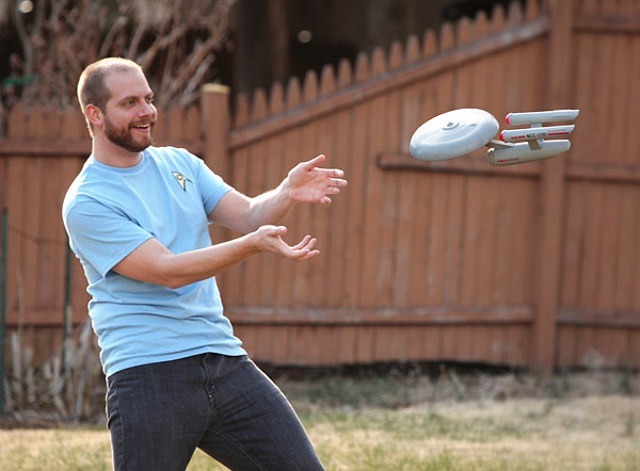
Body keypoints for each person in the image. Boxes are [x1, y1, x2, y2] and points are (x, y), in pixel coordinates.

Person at [62, 57, 347, 471]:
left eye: (148, 98)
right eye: (130, 103)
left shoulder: (180, 164)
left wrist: (285, 192)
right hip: (148, 373)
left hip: (222, 359)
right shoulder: (88, 201)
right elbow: (166, 270)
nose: (147, 111)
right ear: (95, 114)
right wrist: (250, 247)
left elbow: (249, 214)